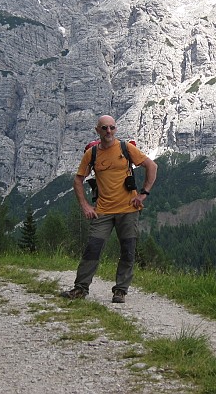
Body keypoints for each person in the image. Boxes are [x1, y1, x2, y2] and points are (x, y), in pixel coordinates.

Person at [61, 115, 157, 303]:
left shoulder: (126, 148)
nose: (108, 132)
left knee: (128, 250)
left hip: (129, 209)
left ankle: (120, 291)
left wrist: (144, 193)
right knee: (92, 248)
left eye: (112, 128)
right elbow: (78, 180)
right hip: (103, 210)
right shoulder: (92, 153)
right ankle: (80, 289)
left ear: (116, 129)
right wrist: (85, 206)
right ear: (97, 130)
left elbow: (151, 166)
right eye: (104, 128)